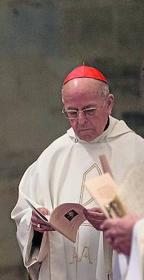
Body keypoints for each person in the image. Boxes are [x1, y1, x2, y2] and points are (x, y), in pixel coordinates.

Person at [11, 65, 144, 279]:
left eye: (89, 111)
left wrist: (116, 222)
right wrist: (35, 225)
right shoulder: (52, 156)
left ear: (109, 104)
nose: (80, 121)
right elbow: (23, 214)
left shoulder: (138, 152)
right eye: (72, 112)